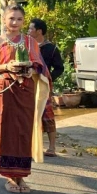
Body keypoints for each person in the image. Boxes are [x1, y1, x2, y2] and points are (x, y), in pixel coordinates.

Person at [0, 4, 49, 193]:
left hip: (26, 89)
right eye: (11, 18)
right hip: (6, 88)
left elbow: (39, 65)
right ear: (4, 20)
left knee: (24, 131)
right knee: (7, 131)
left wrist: (31, 69)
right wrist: (7, 67)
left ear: (23, 21)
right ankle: (9, 176)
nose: (15, 22)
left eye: (19, 19)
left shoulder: (31, 42)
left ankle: (21, 176)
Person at [28, 18, 65, 157]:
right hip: (28, 84)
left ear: (39, 31)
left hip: (43, 85)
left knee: (47, 114)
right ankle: (31, 146)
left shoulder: (51, 48)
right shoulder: (27, 46)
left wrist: (48, 78)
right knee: (29, 114)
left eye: (31, 28)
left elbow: (59, 68)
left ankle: (52, 147)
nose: (28, 31)